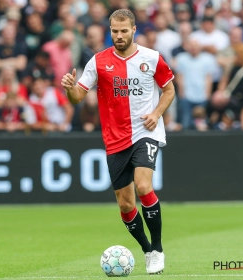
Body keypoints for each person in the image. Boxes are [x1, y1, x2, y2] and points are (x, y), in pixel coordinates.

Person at [61, 9, 175, 275]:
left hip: (146, 131)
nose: (119, 35)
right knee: (126, 204)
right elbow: (79, 96)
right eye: (115, 31)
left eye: (124, 30)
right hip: (115, 139)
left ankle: (157, 249)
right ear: (109, 30)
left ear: (134, 29)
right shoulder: (98, 62)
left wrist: (157, 114)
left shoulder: (152, 58)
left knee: (144, 184)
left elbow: (169, 89)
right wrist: (69, 88)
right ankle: (147, 250)